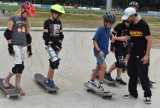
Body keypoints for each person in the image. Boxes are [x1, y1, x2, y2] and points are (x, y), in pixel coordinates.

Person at [112, 7, 152, 104]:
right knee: (132, 74)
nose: (127, 19)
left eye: (128, 17)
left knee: (143, 76)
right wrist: (116, 38)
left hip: (142, 54)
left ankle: (147, 95)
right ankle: (133, 93)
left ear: (133, 15)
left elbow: (149, 41)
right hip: (133, 53)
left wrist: (147, 55)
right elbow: (127, 37)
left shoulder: (143, 25)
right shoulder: (131, 25)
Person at [2, 1, 35, 95]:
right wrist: (10, 47)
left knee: (21, 67)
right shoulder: (13, 18)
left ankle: (17, 85)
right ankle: (6, 79)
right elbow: (7, 34)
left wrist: (29, 49)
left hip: (23, 46)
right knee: (18, 66)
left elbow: (28, 36)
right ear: (23, 9)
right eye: (27, 13)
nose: (27, 15)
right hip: (15, 45)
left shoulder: (26, 20)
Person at [87, 11, 116, 92]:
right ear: (105, 21)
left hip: (104, 51)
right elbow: (94, 41)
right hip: (98, 52)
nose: (111, 25)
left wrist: (111, 36)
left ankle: (91, 81)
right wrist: (99, 50)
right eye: (110, 23)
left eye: (112, 24)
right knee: (103, 67)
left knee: (98, 67)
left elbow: (109, 32)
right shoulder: (100, 29)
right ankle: (100, 85)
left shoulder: (109, 28)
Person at [43, 4, 65, 88]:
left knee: (53, 63)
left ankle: (48, 79)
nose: (60, 17)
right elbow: (45, 36)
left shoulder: (59, 22)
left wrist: (60, 45)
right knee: (55, 62)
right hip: (49, 45)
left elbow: (61, 35)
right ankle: (49, 80)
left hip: (56, 46)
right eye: (59, 15)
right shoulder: (47, 22)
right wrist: (52, 45)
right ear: (54, 13)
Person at [105, 19, 130, 85]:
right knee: (120, 62)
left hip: (125, 47)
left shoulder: (131, 27)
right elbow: (112, 36)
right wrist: (112, 46)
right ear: (125, 20)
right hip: (118, 46)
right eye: (128, 22)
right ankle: (107, 73)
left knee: (122, 63)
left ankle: (118, 78)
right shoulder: (119, 26)